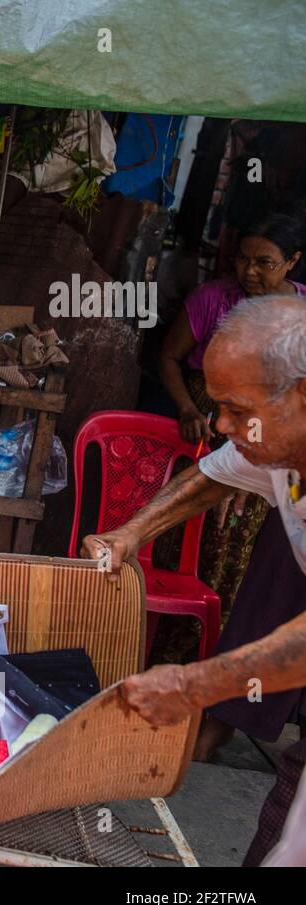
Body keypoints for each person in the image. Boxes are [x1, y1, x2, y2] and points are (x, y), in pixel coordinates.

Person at [82, 295, 306, 865]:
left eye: (235, 408)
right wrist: (130, 534)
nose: (221, 425)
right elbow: (214, 476)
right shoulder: (277, 436)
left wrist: (192, 686)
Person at [153, 215, 306, 715]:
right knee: (186, 546)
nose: (250, 271)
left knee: (235, 557)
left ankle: (211, 688)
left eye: (265, 262)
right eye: (243, 258)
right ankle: (165, 664)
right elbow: (169, 359)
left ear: (292, 262)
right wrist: (190, 410)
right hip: (208, 425)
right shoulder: (211, 300)